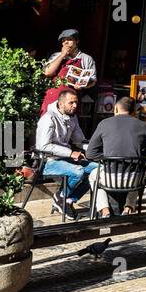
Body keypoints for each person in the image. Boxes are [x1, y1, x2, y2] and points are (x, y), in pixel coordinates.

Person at [84, 96, 146, 217]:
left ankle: (104, 210)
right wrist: (137, 156)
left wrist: (108, 156)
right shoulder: (143, 126)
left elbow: (90, 153)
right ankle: (128, 207)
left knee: (93, 176)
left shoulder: (104, 124)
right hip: (134, 179)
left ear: (116, 109)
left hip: (109, 178)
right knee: (142, 172)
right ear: (134, 112)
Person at [34, 87, 98, 217]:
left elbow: (80, 140)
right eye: (71, 103)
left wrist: (96, 149)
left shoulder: (72, 118)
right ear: (61, 103)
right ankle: (60, 196)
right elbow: (43, 146)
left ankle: (67, 200)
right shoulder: (48, 118)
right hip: (48, 161)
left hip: (64, 159)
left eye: (76, 102)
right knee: (78, 171)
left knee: (97, 170)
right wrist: (70, 153)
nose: (75, 106)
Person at [40, 29, 97, 115]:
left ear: (77, 41)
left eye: (69, 39)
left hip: (71, 103)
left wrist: (83, 86)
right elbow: (47, 72)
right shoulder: (55, 56)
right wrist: (62, 55)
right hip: (52, 99)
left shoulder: (86, 59)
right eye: (63, 41)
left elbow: (93, 81)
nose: (66, 42)